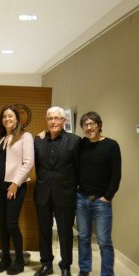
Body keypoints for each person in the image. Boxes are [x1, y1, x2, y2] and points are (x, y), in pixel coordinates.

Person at [0, 105, 34, 275]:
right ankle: (5, 258)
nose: (7, 119)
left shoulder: (25, 136)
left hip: (16, 186)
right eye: (4, 116)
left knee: (11, 223)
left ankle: (19, 260)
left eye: (10, 116)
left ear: (17, 119)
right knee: (2, 224)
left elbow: (28, 163)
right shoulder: (0, 138)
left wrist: (15, 183)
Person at [33, 106, 80, 276]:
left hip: (65, 194)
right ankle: (46, 263)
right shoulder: (38, 140)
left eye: (57, 118)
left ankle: (65, 266)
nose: (53, 122)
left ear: (63, 121)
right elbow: (38, 167)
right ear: (46, 121)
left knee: (65, 232)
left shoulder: (75, 141)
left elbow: (79, 168)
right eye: (50, 118)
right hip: (43, 193)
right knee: (44, 230)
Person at [76, 112, 121, 276]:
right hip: (81, 199)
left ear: (99, 125)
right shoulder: (81, 144)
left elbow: (116, 174)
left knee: (103, 241)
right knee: (83, 237)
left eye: (91, 124)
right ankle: (84, 270)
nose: (89, 128)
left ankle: (107, 273)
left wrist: (107, 197)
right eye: (85, 125)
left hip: (101, 201)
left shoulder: (111, 145)